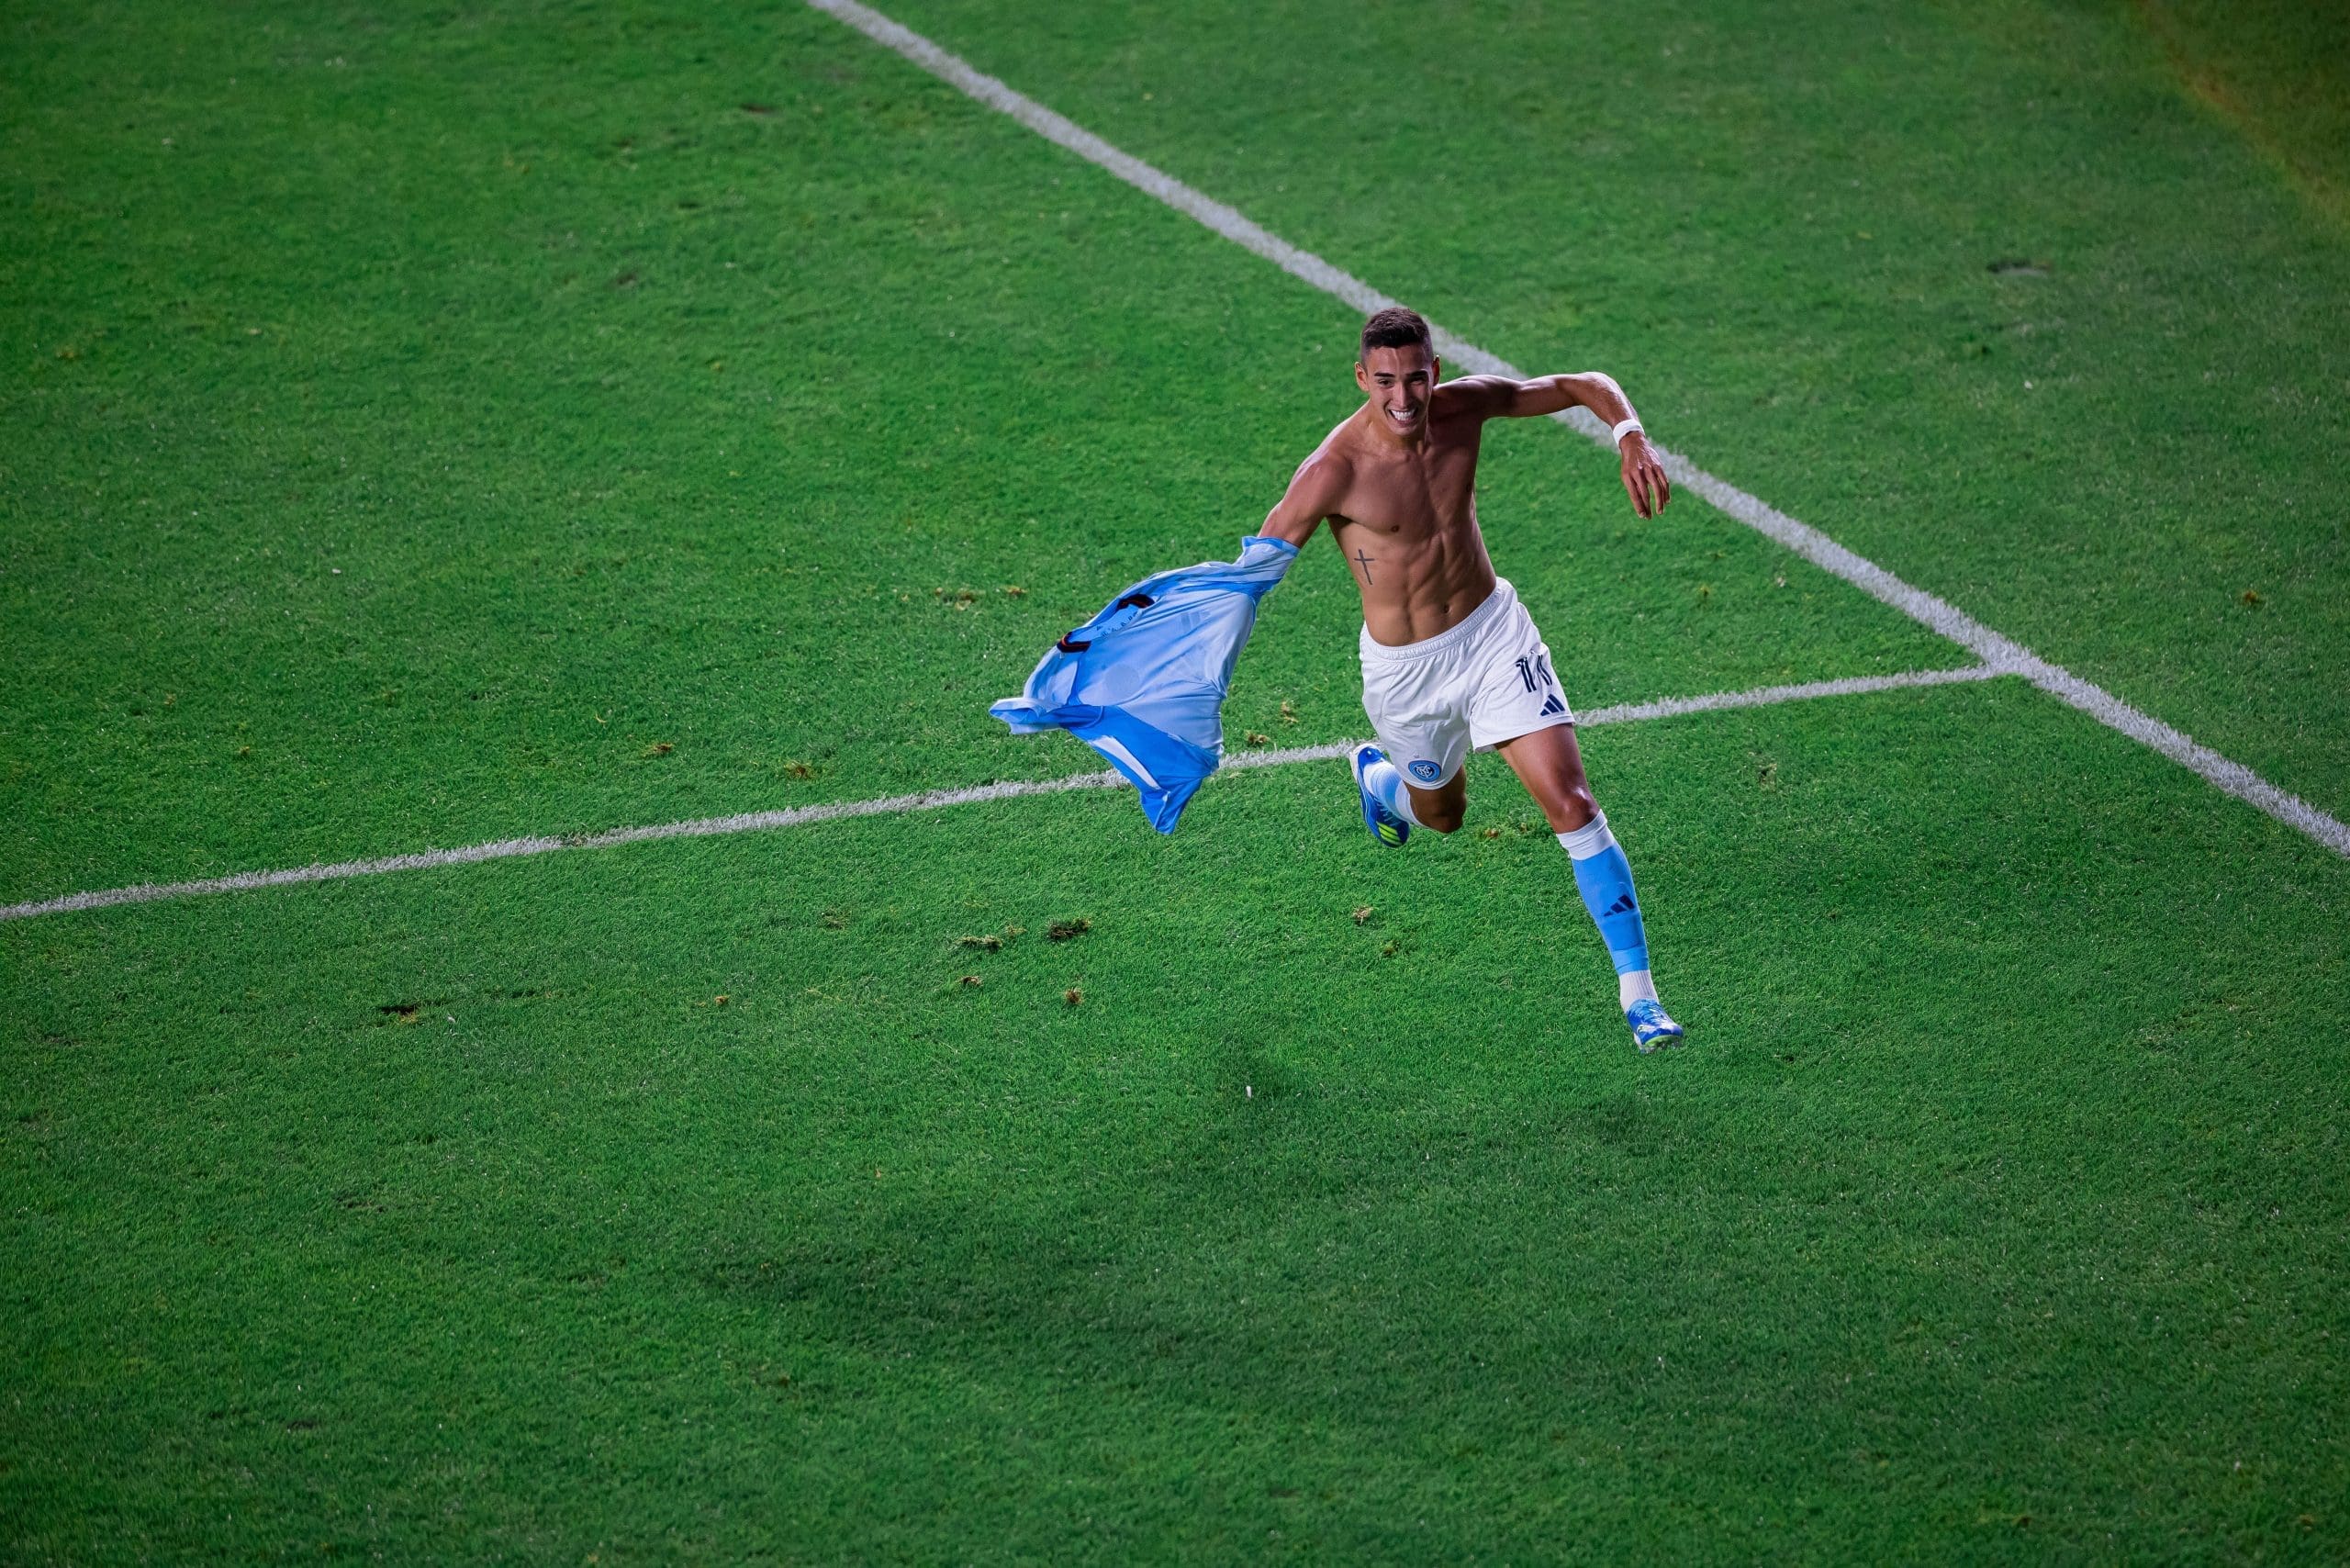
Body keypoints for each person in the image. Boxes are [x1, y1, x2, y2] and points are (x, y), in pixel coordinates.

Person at [1258, 306, 1684, 1050]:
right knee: (1444, 818)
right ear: (1362, 378)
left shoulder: (1464, 411)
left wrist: (1630, 436)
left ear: (1435, 372)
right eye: (1384, 381)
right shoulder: (1333, 471)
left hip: (1492, 637)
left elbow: (1581, 383)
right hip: (1405, 676)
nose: (1402, 397)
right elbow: (1254, 570)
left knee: (1572, 803)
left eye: (1415, 378)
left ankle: (1641, 999)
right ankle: (1382, 782)